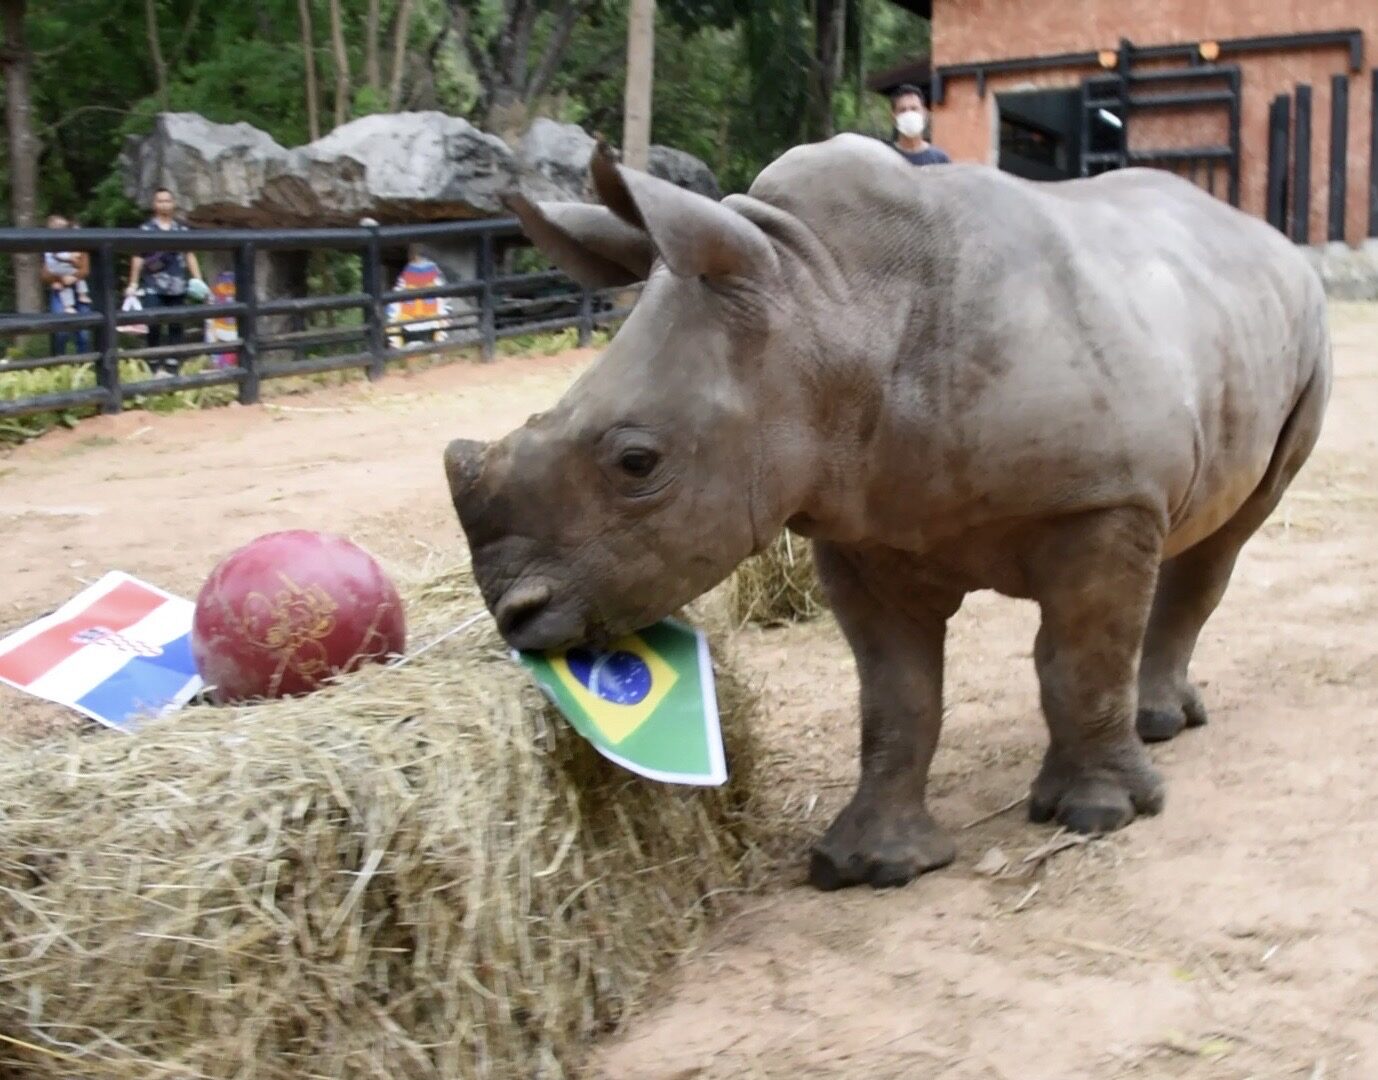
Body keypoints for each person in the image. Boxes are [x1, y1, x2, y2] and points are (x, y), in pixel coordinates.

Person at [125, 188, 205, 375]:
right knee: (153, 323)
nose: (164, 204)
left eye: (167, 201)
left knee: (176, 324)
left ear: (173, 203)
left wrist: (197, 279)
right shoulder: (146, 230)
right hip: (153, 284)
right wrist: (133, 283)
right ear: (154, 204)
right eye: (160, 201)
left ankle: (173, 363)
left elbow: (189, 255)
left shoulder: (181, 229)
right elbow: (137, 257)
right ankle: (152, 363)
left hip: (177, 284)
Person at [41, 214, 92, 356]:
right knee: (61, 331)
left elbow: (85, 269)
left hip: (77, 288)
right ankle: (59, 362)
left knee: (84, 333)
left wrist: (73, 276)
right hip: (60, 288)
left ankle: (84, 363)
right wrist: (58, 279)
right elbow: (45, 273)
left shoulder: (80, 248)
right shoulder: (50, 249)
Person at [889, 84, 951, 167]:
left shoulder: (940, 159)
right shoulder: (886, 157)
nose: (909, 114)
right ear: (894, 117)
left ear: (924, 113)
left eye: (914, 109)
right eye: (902, 110)